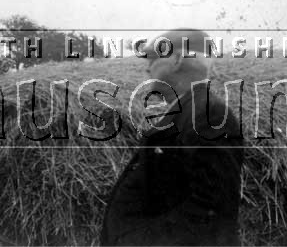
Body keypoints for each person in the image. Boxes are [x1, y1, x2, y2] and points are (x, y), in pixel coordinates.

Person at [100, 29, 244, 246]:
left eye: (154, 59)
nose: (148, 68)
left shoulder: (207, 114)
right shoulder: (189, 110)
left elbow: (210, 211)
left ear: (176, 60)